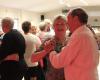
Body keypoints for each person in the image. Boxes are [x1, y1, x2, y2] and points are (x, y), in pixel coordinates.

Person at [49, 8, 99, 80]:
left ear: (75, 19)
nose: (67, 23)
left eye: (68, 20)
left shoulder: (79, 36)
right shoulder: (86, 33)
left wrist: (51, 51)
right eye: (57, 24)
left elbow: (59, 62)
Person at [31, 14, 69, 80]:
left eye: (62, 24)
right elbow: (33, 59)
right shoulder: (48, 41)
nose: (59, 26)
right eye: (57, 24)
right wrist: (45, 51)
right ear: (53, 27)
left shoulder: (72, 41)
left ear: (67, 26)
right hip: (51, 77)